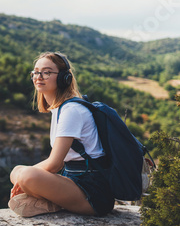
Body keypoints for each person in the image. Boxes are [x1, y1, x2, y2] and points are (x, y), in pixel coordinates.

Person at [8, 52, 115, 217]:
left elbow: (54, 165)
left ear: (64, 78)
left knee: (27, 175)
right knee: (16, 171)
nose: (39, 76)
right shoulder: (59, 109)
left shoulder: (71, 110)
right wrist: (21, 177)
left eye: (47, 72)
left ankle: (49, 203)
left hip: (93, 192)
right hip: (71, 180)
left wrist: (24, 180)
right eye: (36, 72)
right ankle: (49, 202)